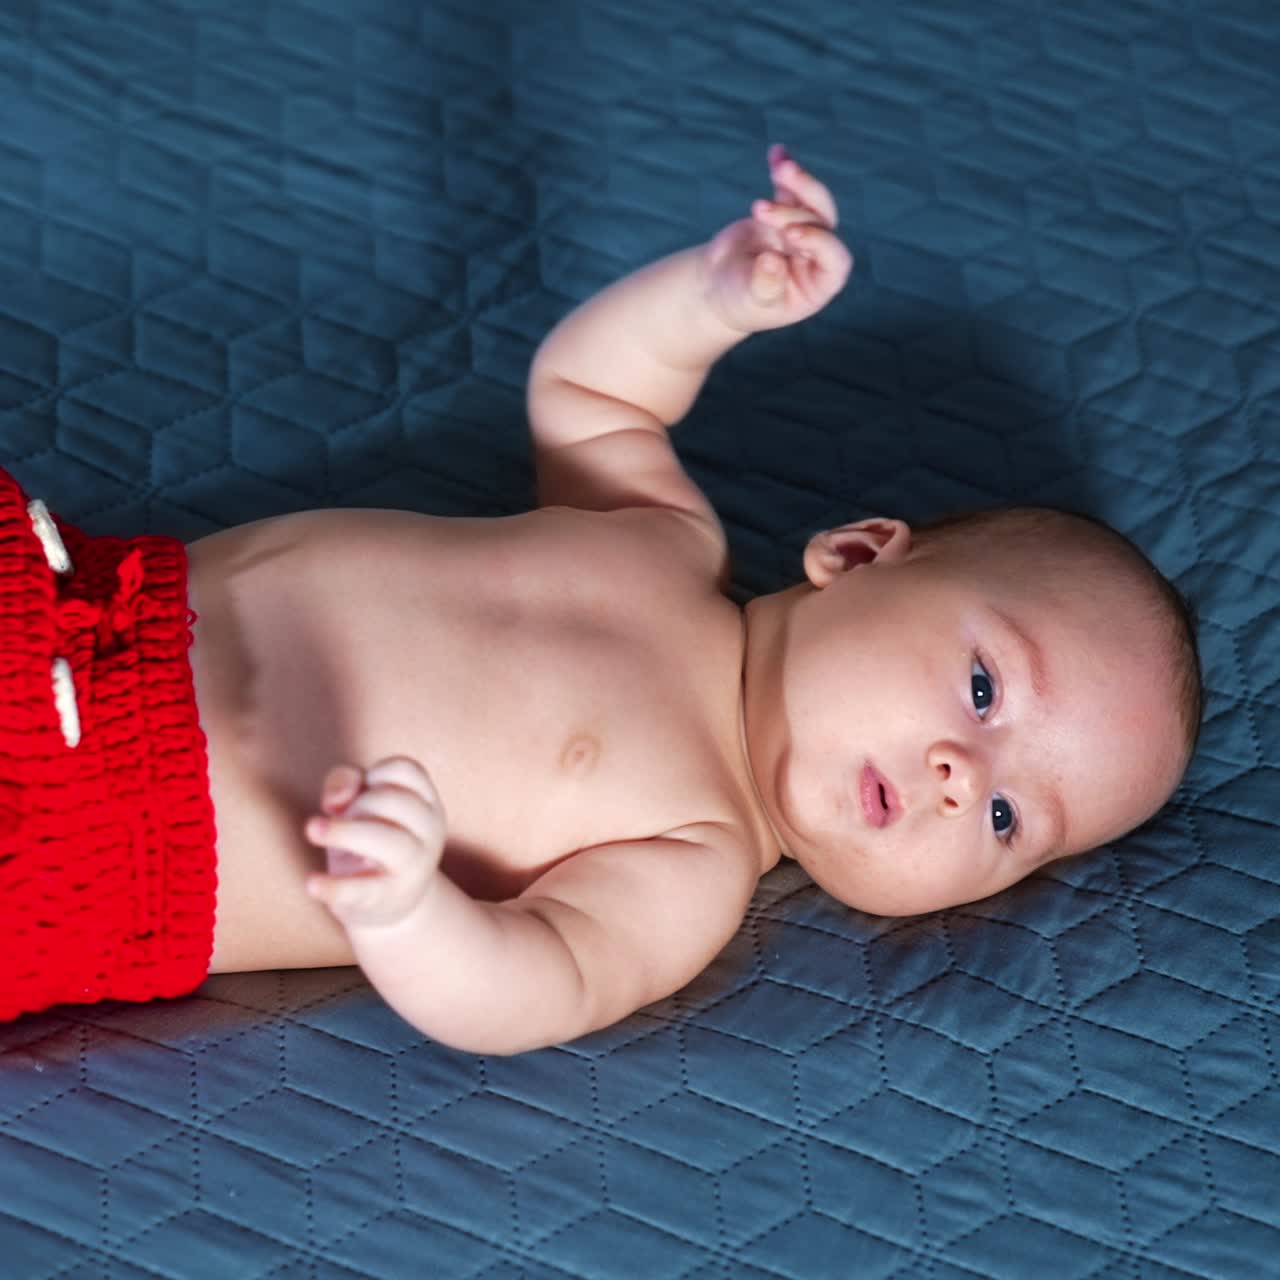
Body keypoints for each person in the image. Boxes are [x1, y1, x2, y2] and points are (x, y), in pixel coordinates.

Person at [0, 146, 1200, 1051]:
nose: (957, 777)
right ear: (857, 551)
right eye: (983, 689)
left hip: (94, 829)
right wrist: (718, 298)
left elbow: (535, 981)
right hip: (67, 595)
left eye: (1003, 822)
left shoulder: (693, 859)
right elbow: (592, 390)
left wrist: (410, 908)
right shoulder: (664, 540)